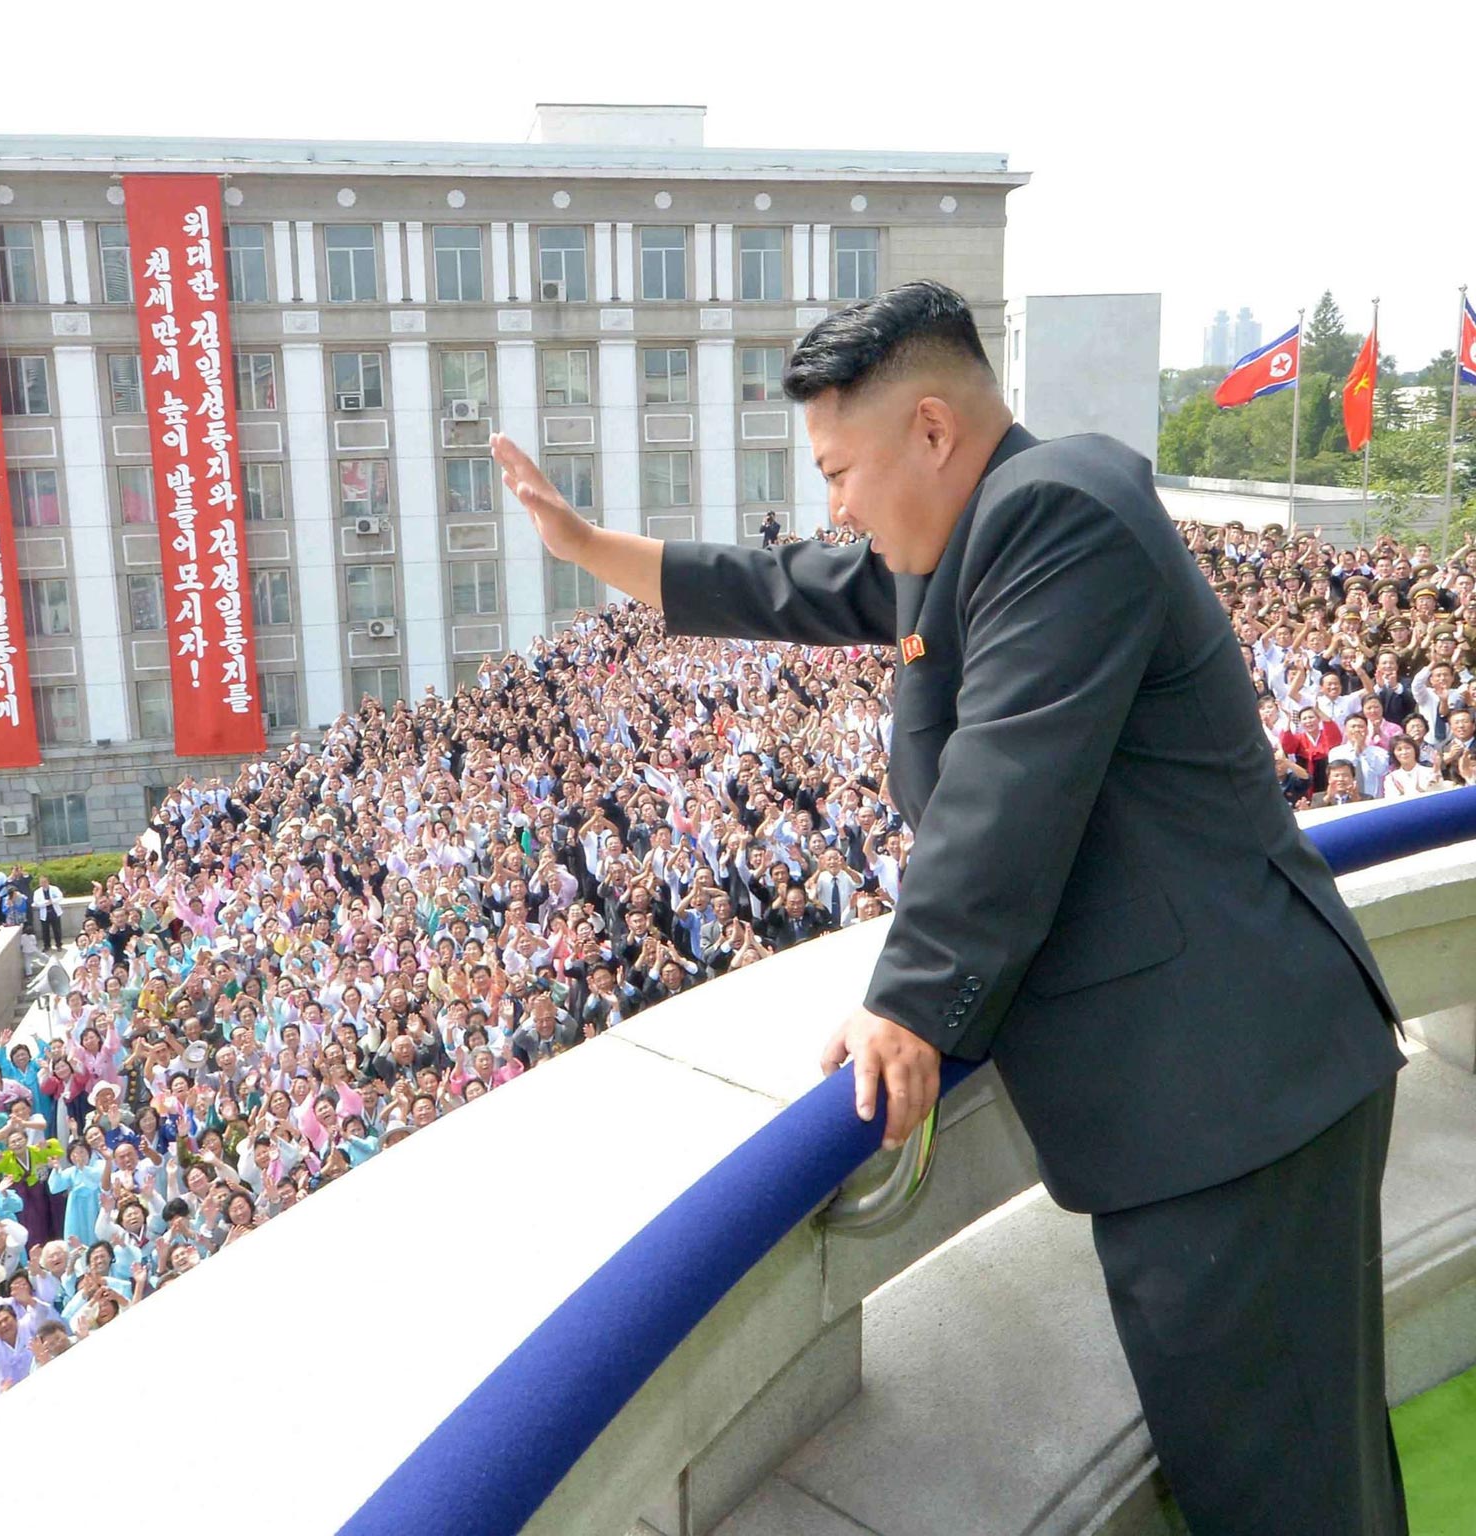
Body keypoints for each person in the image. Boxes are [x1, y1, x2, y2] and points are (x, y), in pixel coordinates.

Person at [491, 279, 1408, 1533]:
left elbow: (1007, 779)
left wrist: (909, 1002)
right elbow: (793, 586)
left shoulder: (1058, 508)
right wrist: (591, 550)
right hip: (1211, 1095)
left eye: (840, 470)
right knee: (1280, 1475)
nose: (836, 508)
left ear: (930, 430)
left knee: (1287, 1489)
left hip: (1233, 1097)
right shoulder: (965, 536)